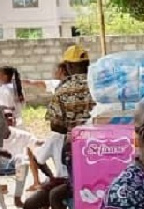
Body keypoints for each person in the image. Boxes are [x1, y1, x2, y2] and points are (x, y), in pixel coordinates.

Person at [46, 45, 95, 174]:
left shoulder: (61, 91)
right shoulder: (101, 86)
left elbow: (56, 126)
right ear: (88, 64)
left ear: (67, 66)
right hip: (106, 146)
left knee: (79, 186)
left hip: (76, 148)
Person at [23, 62, 69, 191]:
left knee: (45, 196)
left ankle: (48, 181)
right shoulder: (60, 85)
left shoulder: (56, 136)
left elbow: (39, 159)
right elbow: (41, 83)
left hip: (65, 181)